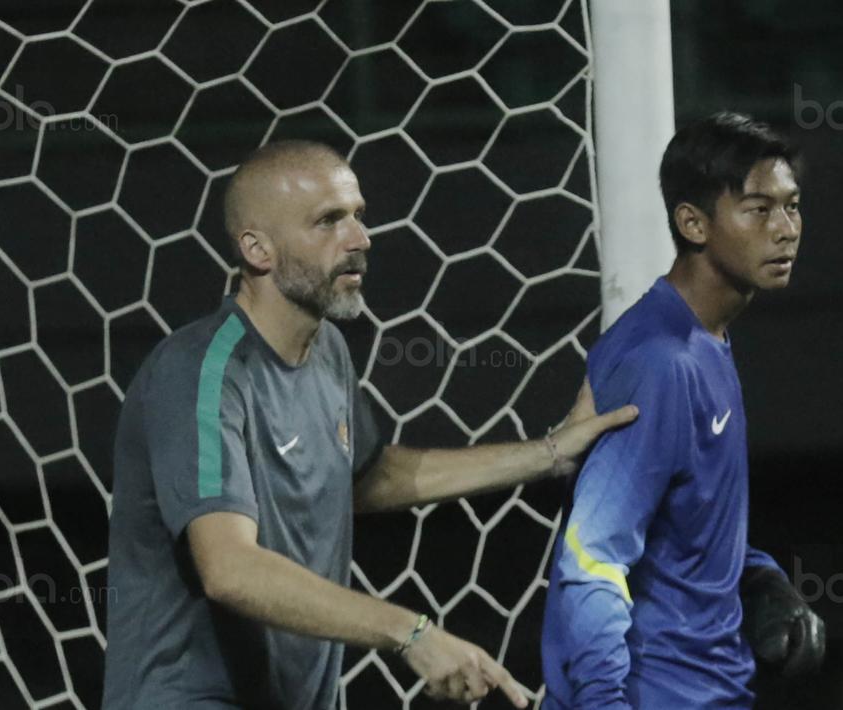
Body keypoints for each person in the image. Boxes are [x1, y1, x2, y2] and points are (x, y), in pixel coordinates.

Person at [102, 140, 639, 710]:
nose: (360, 240)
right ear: (257, 249)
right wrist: (410, 632)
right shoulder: (201, 372)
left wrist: (552, 452)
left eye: (358, 215)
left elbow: (365, 478)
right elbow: (228, 567)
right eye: (329, 221)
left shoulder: (327, 350)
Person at [539, 112, 826, 709]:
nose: (786, 228)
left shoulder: (706, 339)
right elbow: (592, 558)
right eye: (758, 208)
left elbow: (682, 519)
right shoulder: (661, 362)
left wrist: (759, 575)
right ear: (692, 223)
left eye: (791, 205)